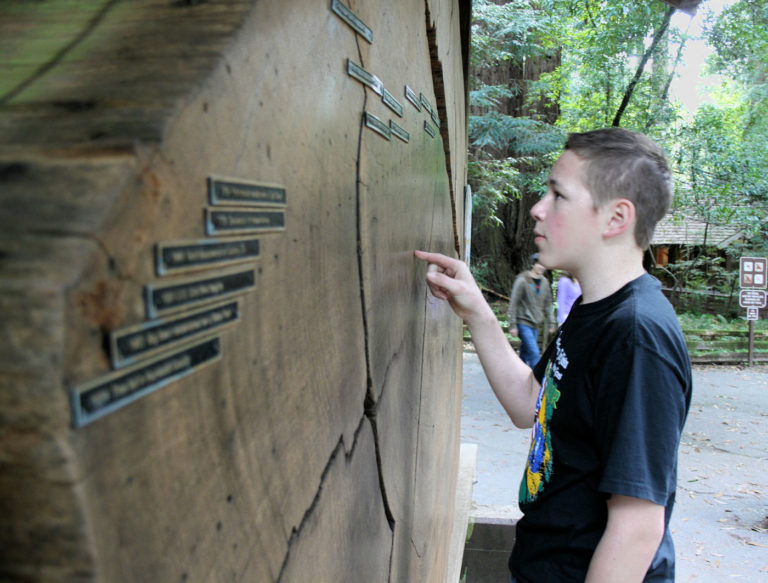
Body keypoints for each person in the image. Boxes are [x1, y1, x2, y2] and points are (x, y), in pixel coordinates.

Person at [415, 127, 691, 583]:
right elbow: (530, 403)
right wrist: (478, 312)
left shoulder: (637, 337)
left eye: (558, 195)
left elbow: (637, 528)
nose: (538, 209)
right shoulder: (594, 309)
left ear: (616, 218)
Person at [507, 255, 555, 368]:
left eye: (544, 265)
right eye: (539, 264)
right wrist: (512, 325)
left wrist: (551, 322)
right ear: (533, 264)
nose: (541, 267)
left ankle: (518, 374)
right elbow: (513, 303)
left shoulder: (545, 283)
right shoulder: (522, 280)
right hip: (523, 322)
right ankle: (537, 381)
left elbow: (548, 304)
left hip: (536, 323)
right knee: (534, 353)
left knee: (524, 354)